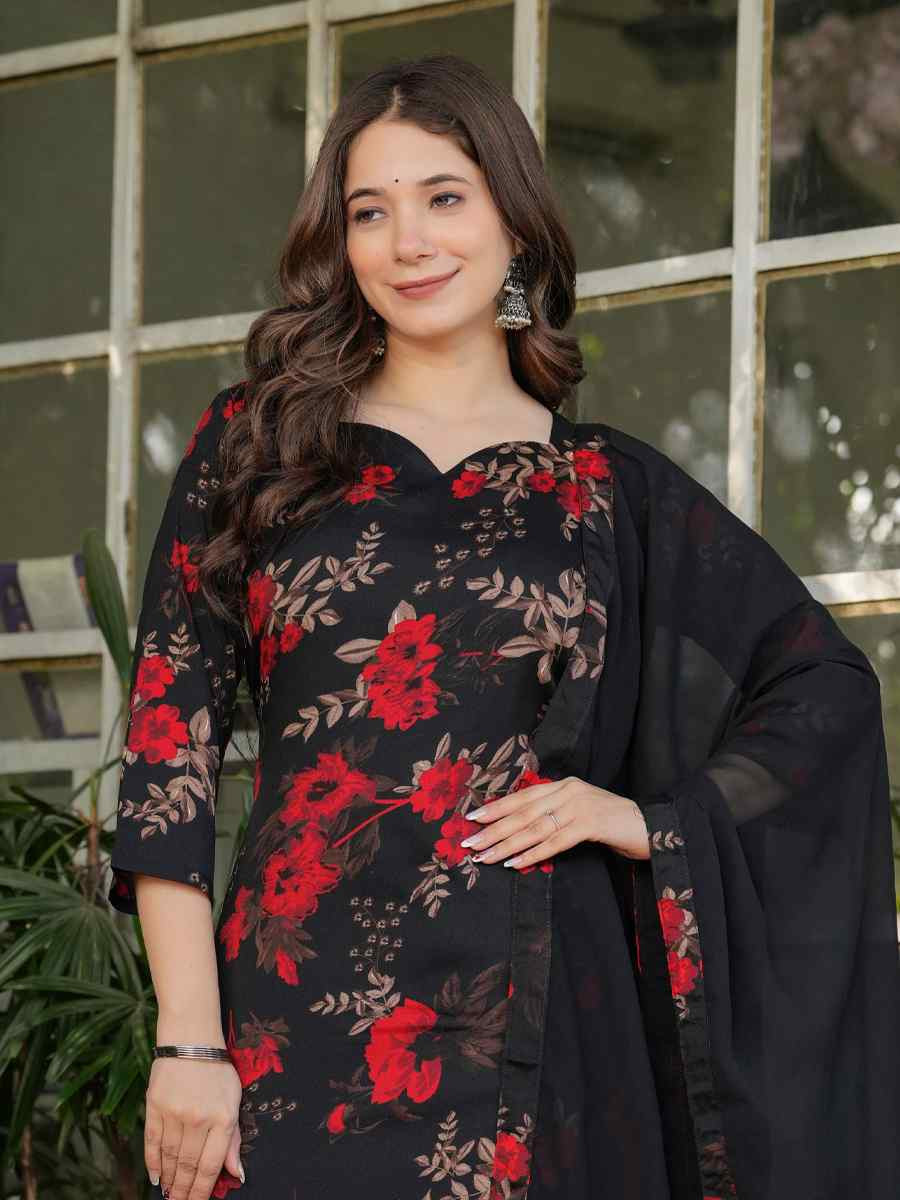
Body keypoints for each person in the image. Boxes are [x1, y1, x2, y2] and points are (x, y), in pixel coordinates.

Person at [107, 54, 900, 1200]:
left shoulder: (605, 489)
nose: (408, 241)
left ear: (515, 225)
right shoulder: (257, 448)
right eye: (369, 212)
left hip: (540, 1033)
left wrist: (645, 820)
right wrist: (188, 1043)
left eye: (444, 197)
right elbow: (168, 750)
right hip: (288, 1024)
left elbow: (823, 687)